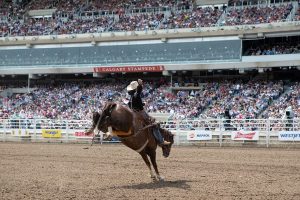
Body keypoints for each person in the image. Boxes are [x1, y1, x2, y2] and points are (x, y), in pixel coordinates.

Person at [127, 79, 170, 146]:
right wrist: (140, 85)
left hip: (133, 114)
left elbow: (135, 105)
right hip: (141, 114)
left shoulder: (131, 98)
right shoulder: (136, 95)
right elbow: (138, 91)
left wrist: (142, 104)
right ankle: (161, 141)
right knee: (155, 125)